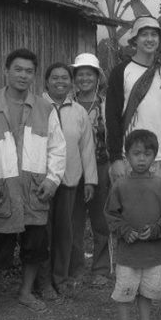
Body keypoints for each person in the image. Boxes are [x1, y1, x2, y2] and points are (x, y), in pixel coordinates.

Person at [0, 48, 66, 318]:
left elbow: (57, 147)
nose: (23, 75)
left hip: (35, 190)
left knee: (34, 248)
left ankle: (25, 292)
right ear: (6, 71)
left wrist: (53, 179)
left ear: (34, 75)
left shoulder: (45, 108)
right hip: (1, 190)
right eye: (18, 69)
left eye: (29, 71)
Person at [106, 16, 161, 267]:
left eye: (154, 34)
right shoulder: (121, 72)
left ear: (159, 39)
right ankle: (129, 260)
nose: (149, 39)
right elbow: (112, 117)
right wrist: (115, 158)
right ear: (134, 40)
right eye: (144, 34)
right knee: (131, 209)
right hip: (131, 155)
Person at [106, 129, 161, 320]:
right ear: (127, 155)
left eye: (147, 154)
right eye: (136, 154)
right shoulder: (120, 185)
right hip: (128, 255)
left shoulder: (160, 185)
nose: (141, 158)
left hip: (152, 254)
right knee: (125, 291)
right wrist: (125, 231)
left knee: (148, 291)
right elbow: (110, 215)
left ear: (154, 157)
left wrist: (156, 230)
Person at [40, 62, 97, 298]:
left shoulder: (78, 111)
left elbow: (87, 148)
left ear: (71, 82)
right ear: (46, 82)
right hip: (42, 181)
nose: (60, 82)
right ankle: (41, 281)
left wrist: (90, 180)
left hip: (70, 179)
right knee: (42, 233)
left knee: (65, 232)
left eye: (65, 78)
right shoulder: (37, 106)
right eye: (55, 78)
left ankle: (60, 278)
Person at [69, 54, 109, 286]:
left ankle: (101, 269)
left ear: (97, 77)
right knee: (73, 219)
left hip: (101, 165)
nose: (84, 78)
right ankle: (75, 269)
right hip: (74, 167)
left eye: (89, 74)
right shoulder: (67, 103)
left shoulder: (105, 103)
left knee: (101, 218)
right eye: (80, 74)